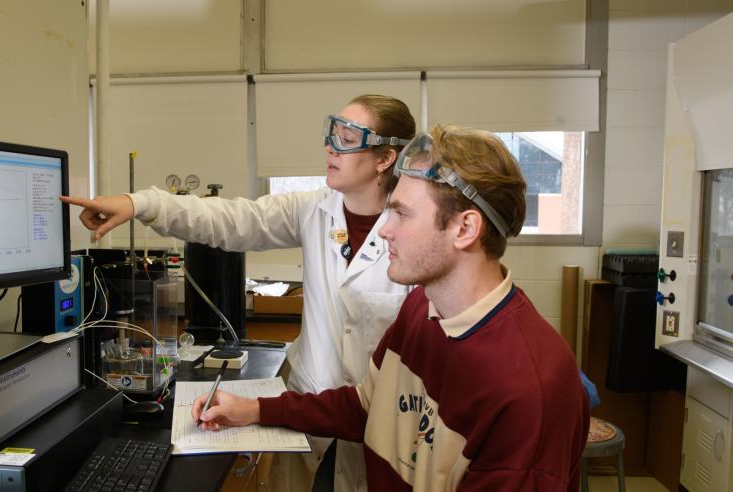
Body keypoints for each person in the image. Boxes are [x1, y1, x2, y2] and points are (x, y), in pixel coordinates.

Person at [190, 125, 590, 491]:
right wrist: (255, 409)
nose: (384, 229)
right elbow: (365, 406)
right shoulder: (421, 308)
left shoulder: (528, 394)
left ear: (465, 229)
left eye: (401, 213)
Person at [61, 94, 417, 491]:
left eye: (348, 139)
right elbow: (231, 219)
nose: (330, 147)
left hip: (378, 426)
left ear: (386, 157)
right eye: (332, 133)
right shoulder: (314, 209)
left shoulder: (414, 232)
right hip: (305, 415)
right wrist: (140, 203)